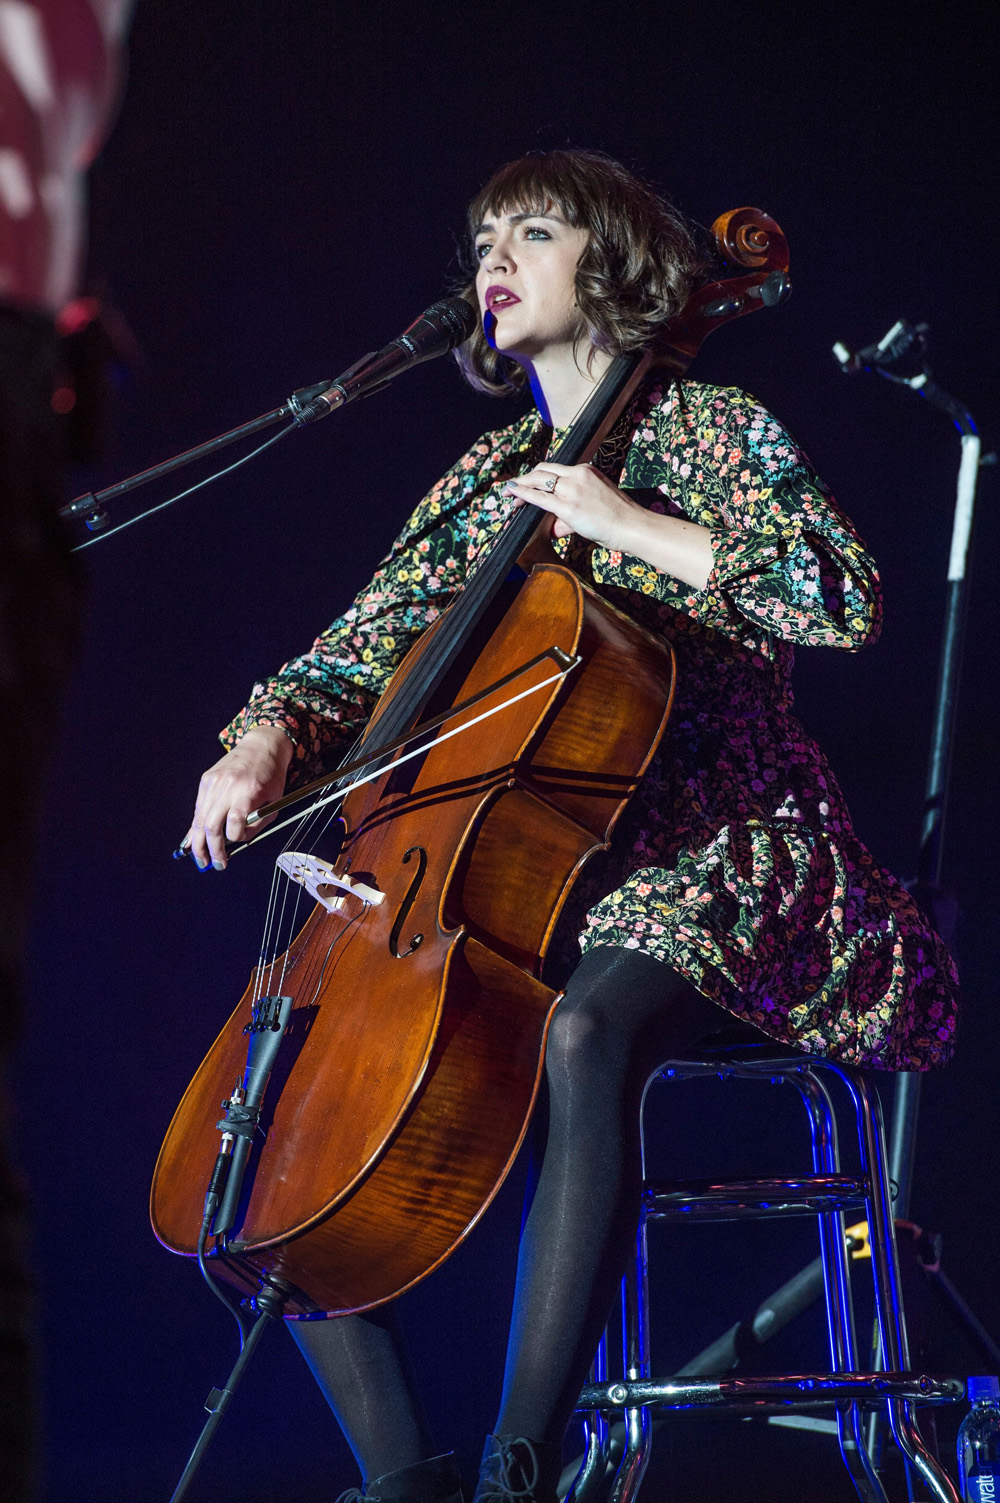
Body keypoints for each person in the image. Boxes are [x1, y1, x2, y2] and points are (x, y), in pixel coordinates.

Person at [184, 150, 958, 1503]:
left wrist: (624, 521)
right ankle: (405, 1481)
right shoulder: (484, 480)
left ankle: (524, 1468)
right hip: (531, 874)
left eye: (531, 231)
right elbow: (347, 660)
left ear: (611, 265)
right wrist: (261, 739)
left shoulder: (706, 430)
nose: (495, 254)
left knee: (585, 1030)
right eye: (484, 233)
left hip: (724, 857)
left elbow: (842, 596)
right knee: (265, 1139)